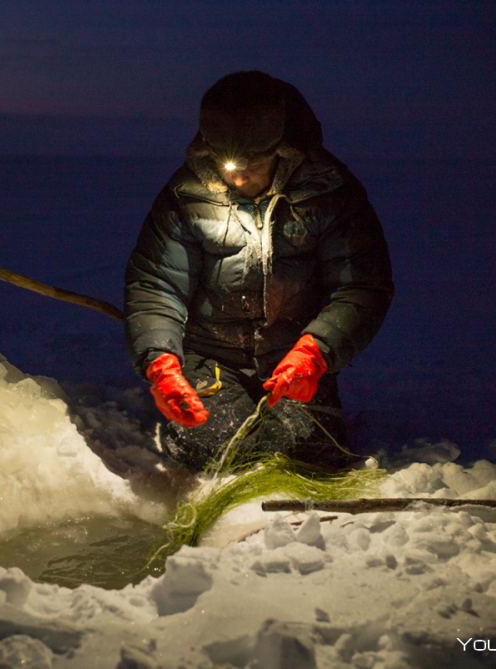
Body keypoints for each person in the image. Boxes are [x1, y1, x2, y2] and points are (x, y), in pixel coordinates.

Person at [124, 71, 393, 472]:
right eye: (225, 163)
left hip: (293, 359)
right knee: (215, 448)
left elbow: (362, 286)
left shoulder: (329, 192)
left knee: (306, 452)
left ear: (282, 151)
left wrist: (315, 352)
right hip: (212, 359)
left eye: (251, 164)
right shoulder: (186, 196)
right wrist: (160, 362)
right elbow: (157, 284)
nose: (236, 176)